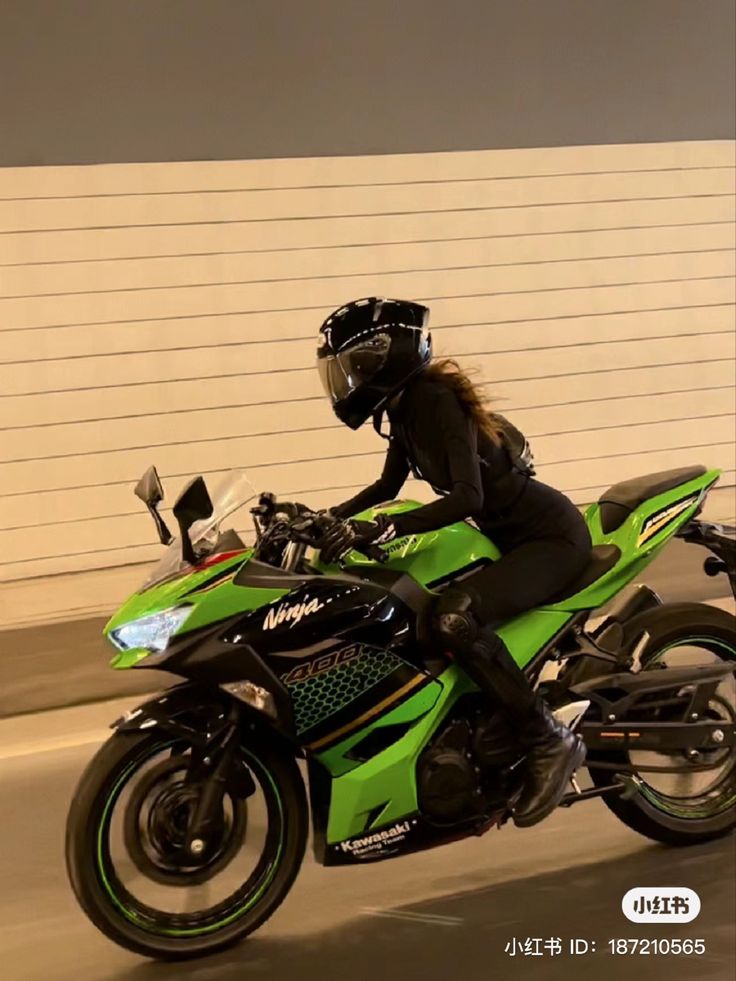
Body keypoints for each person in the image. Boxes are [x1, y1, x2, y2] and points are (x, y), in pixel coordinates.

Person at [315, 296, 591, 828]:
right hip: (506, 539)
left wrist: (388, 525)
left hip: (548, 538)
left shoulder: (436, 399)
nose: (344, 380)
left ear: (384, 358)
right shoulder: (401, 410)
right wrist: (329, 518)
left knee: (453, 616)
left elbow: (470, 498)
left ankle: (547, 741)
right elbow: (387, 485)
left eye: (352, 367)